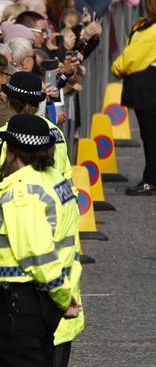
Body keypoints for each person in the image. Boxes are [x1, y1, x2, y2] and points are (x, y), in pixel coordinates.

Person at [0, 115, 84, 367]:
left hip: (20, 301)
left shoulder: (22, 191)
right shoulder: (57, 183)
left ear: (13, 152)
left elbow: (37, 253)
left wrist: (61, 296)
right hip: (45, 302)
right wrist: (62, 296)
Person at [112, 0, 156, 196]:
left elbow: (132, 56)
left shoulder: (154, 30)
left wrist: (116, 68)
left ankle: (151, 181)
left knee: (151, 135)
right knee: (151, 134)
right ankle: (151, 179)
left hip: (150, 86)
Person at [0, 71, 73, 179]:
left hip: (18, 194)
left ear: (9, 103)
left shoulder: (7, 134)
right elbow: (67, 174)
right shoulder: (55, 130)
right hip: (55, 192)